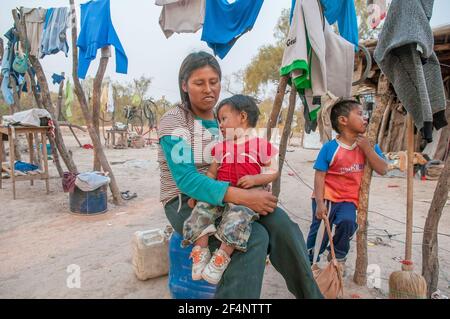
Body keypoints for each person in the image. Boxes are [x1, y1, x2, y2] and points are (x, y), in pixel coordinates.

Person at [157, 51, 322, 299]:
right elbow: (187, 180)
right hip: (186, 201)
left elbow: (251, 158)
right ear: (184, 85)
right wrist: (244, 197)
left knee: (285, 228)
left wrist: (255, 186)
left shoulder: (224, 119)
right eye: (199, 83)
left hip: (235, 197)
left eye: (214, 82)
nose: (208, 89)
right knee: (254, 240)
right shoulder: (174, 122)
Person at [182, 94, 279, 285]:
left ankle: (221, 258)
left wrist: (256, 179)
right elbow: (211, 173)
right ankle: (200, 252)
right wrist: (198, 193)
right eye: (219, 121)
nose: (221, 125)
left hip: (248, 198)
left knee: (238, 220)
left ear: (242, 117)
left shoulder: (260, 144)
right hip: (221, 194)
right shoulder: (220, 147)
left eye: (224, 119)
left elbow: (273, 171)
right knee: (200, 210)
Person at [306, 99, 388, 273]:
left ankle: (338, 255)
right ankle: (310, 259)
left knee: (348, 223)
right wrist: (320, 203)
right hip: (327, 197)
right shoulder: (330, 148)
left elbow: (383, 169)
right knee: (320, 230)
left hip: (349, 200)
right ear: (343, 120)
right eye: (359, 114)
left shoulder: (369, 145)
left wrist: (367, 148)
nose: (364, 118)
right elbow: (320, 176)